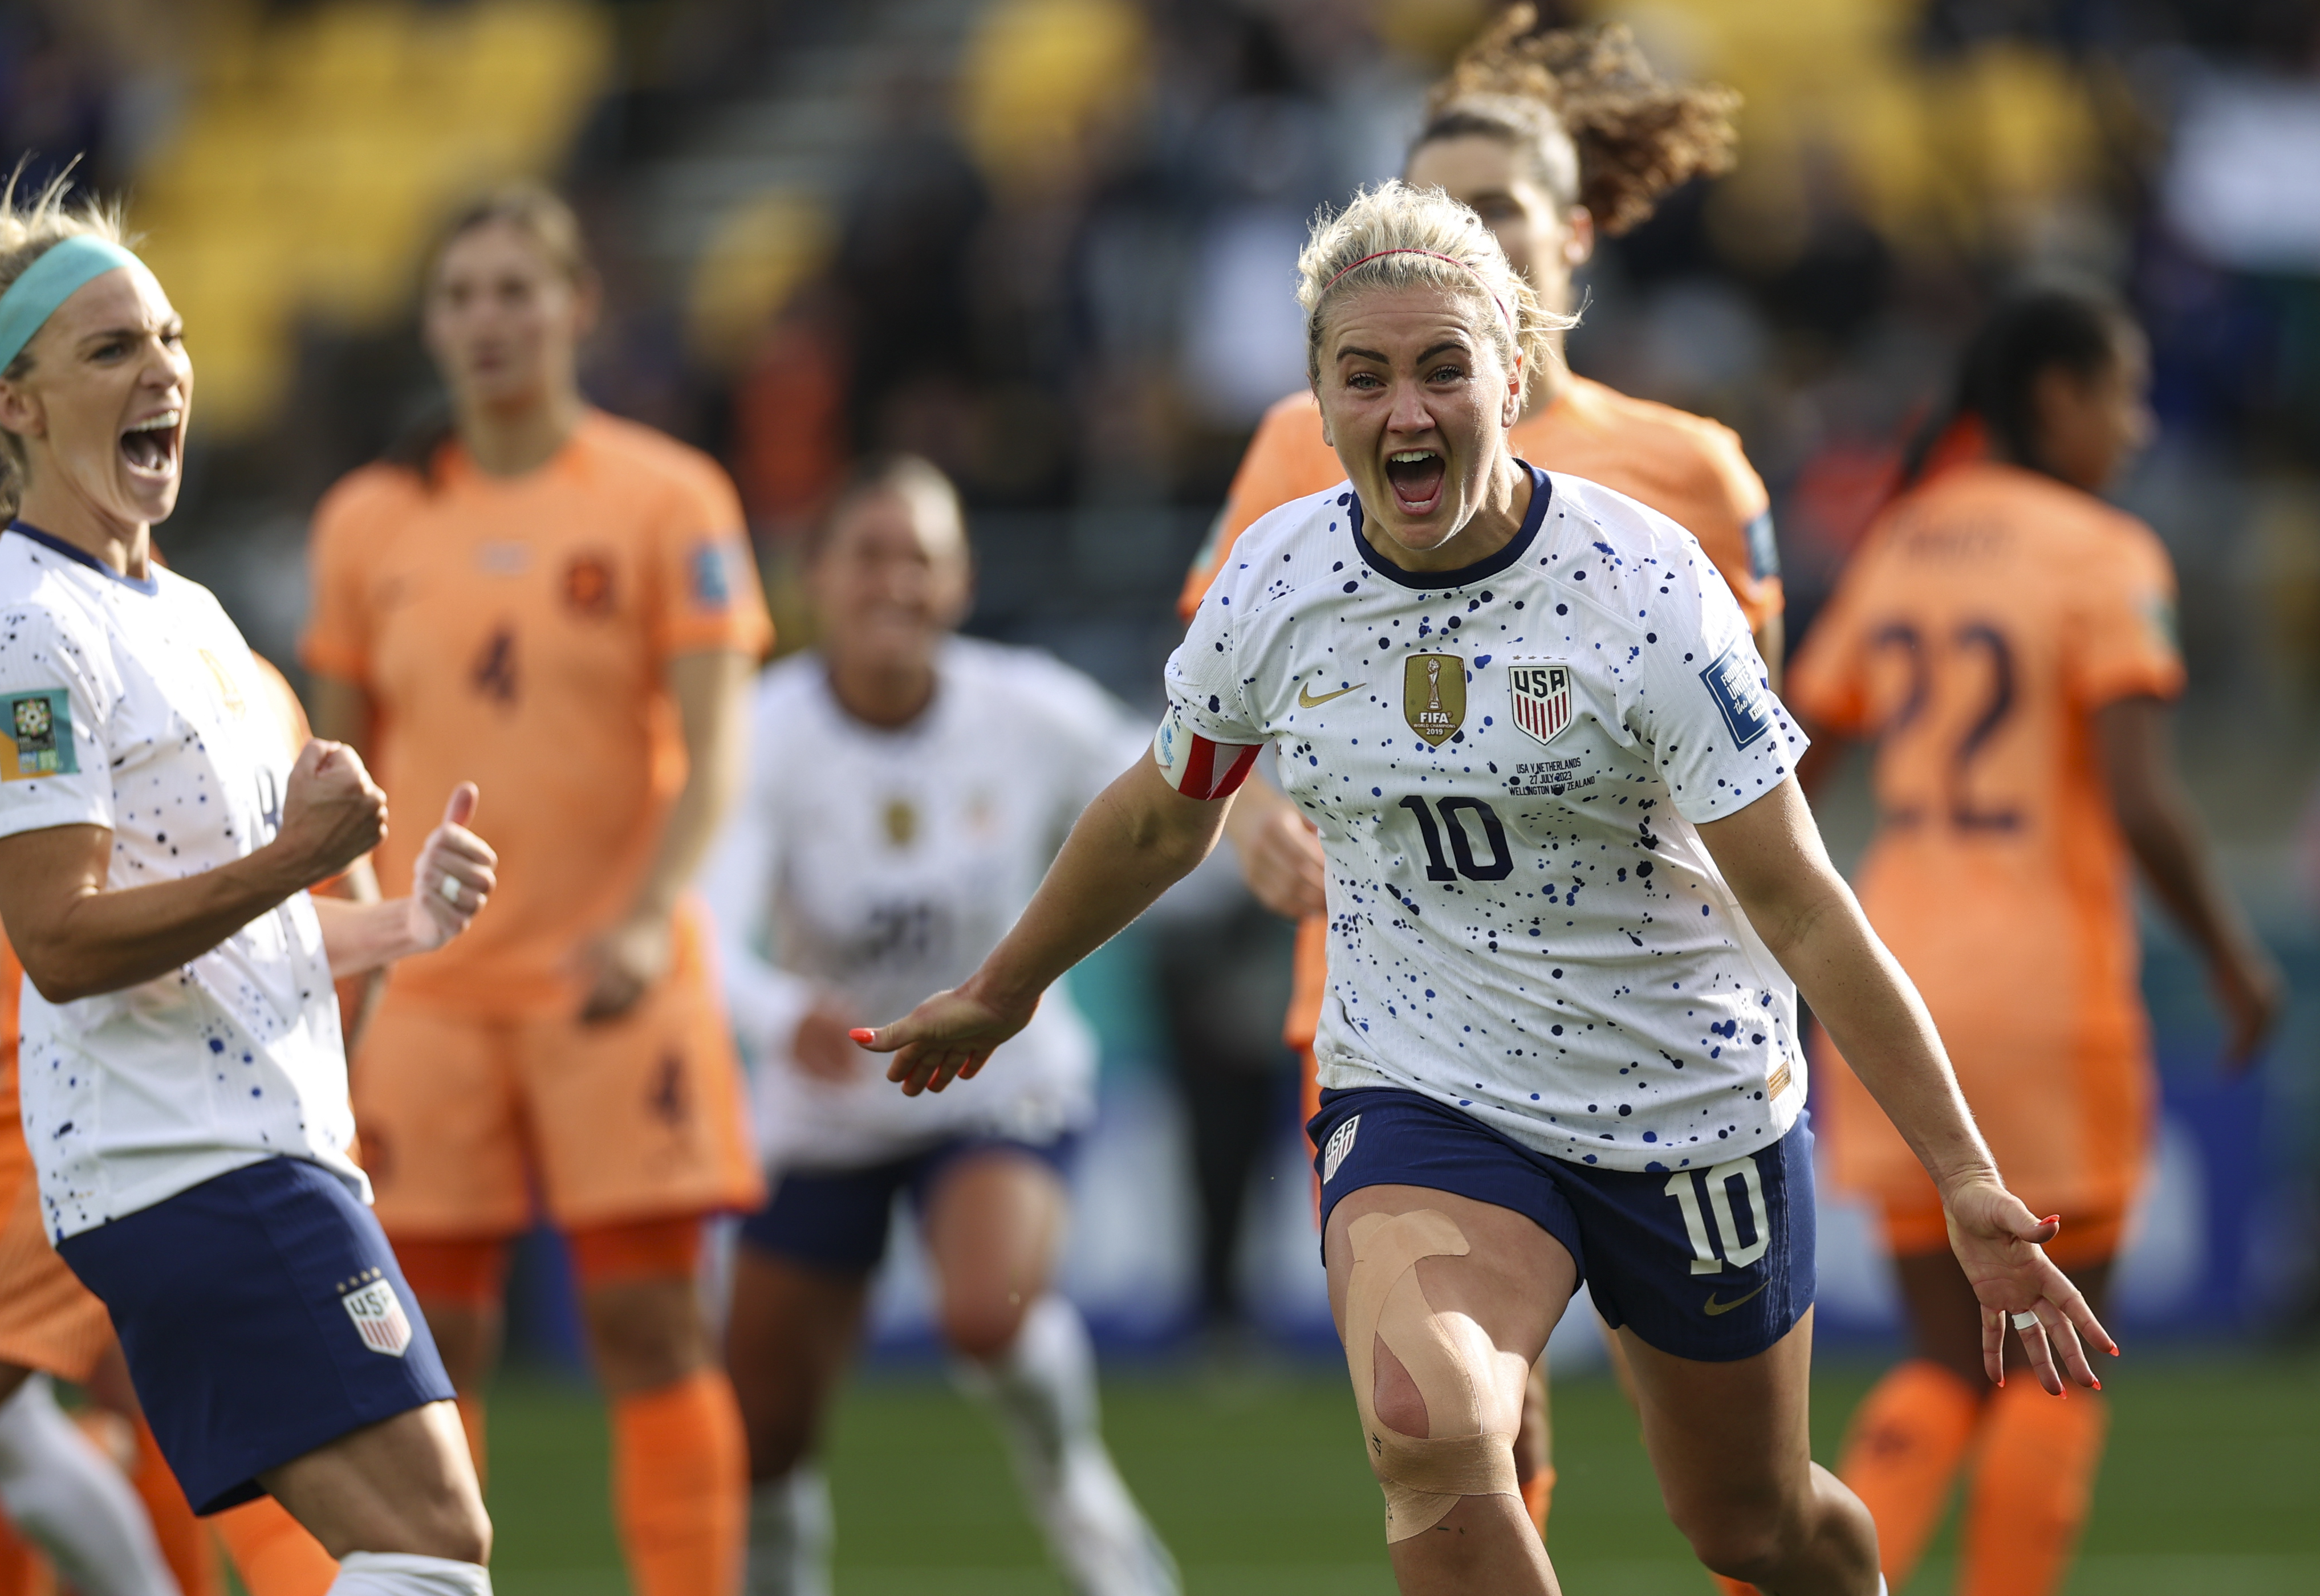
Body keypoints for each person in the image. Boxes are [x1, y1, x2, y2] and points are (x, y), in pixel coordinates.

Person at [855, 181, 2112, 1596]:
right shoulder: (1275, 581)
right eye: (1365, 374)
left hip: (1681, 1096)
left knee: (1751, 1524)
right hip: (1426, 1087)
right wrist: (1004, 987)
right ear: (1317, 400)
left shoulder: (1646, 589)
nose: (1406, 410)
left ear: (1512, 374)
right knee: (1428, 1423)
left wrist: (1964, 1177)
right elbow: (1163, 815)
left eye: (1444, 367)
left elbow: (1803, 901)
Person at [1183, 2, 1775, 1531]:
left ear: (1568, 239)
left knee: (1730, 1501)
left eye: (1497, 213)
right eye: (1436, 211)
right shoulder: (1301, 445)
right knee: (1455, 1432)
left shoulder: (1684, 476)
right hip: (1399, 1007)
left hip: (1647, 1014)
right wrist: (1244, 812)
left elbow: (1760, 754)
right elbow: (1215, 705)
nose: (1468, 238)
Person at [0, 181, 502, 1594]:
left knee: (422, 1543)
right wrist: (294, 859)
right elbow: (57, 939)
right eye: (111, 347)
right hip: (181, 1158)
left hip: (252, 1141)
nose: (163, 368)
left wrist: (394, 916)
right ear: (14, 405)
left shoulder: (184, 610)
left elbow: (243, 914)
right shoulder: (18, 622)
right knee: (430, 1547)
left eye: (171, 336)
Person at [302, 183, 774, 1596]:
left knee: (645, 1322)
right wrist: (359, 947)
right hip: (430, 991)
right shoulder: (368, 518)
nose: (490, 319)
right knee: (421, 1339)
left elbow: (713, 750)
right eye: (462, 295)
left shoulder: (666, 494)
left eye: (518, 288)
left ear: (578, 306)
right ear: (433, 324)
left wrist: (645, 913)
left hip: (609, 973)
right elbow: (337, 776)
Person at [1787, 283, 2283, 1596]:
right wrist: (2233, 958)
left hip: (1894, 989)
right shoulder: (2102, 551)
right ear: (2057, 395)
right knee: (2056, 1362)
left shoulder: (1902, 543)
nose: (2133, 425)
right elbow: (2138, 798)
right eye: (2119, 393)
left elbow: (1783, 759)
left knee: (1945, 1362)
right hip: (2047, 994)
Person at [701, 455, 1177, 1596]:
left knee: (984, 1310)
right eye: (866, 555)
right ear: (813, 577)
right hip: (826, 1100)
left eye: (920, 557)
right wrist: (780, 1013)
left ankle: (1078, 1494)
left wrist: (1267, 830)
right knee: (760, 1435)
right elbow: (700, 921)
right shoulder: (761, 728)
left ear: (960, 580)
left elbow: (1172, 790)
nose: (892, 583)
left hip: (996, 1075)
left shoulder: (1026, 705)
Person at [0, 386, 344, 1596]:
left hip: (59, 1105)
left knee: (376, 1496)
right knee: (354, 1481)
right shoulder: (205, 633)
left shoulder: (1, 636)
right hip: (170, 1099)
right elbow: (343, 896)